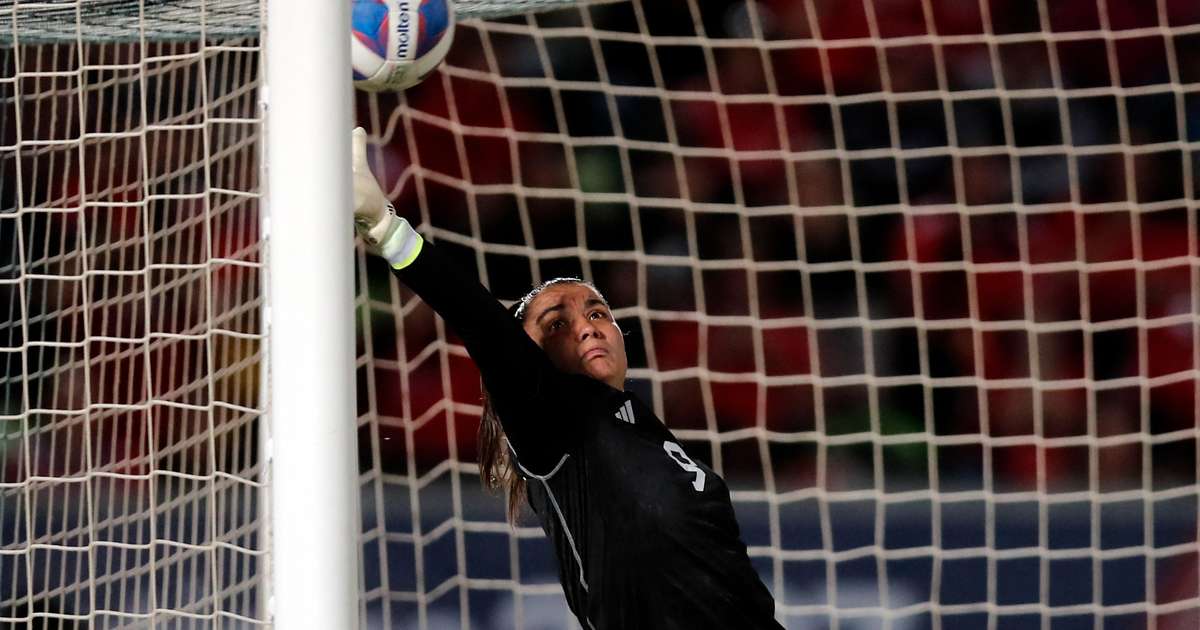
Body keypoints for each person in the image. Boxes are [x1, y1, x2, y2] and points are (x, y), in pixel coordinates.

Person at [350, 127, 783, 629]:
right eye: (556, 323)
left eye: (597, 313)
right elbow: (482, 324)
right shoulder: (556, 424)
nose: (585, 327)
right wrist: (388, 229)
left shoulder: (639, 427)